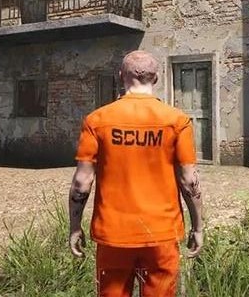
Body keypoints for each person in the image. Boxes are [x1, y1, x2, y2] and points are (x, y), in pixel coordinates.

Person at [68, 50, 204, 296]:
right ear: (156, 78)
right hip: (162, 233)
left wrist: (75, 226)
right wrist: (197, 227)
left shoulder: (97, 120)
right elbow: (188, 180)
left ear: (121, 76)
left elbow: (82, 182)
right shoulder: (177, 120)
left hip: (113, 233)